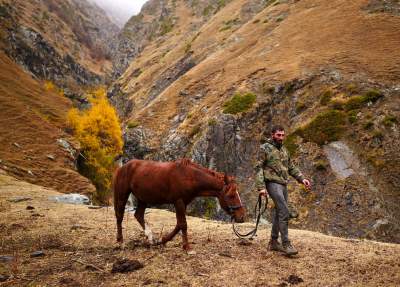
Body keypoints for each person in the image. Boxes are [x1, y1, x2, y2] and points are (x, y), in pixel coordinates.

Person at [255, 125, 311, 255]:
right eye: (278, 135)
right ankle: (286, 244)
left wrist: (302, 179)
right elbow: (258, 168)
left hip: (283, 184)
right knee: (284, 211)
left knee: (279, 212)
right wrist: (261, 187)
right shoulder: (265, 148)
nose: (281, 137)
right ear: (272, 134)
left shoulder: (285, 150)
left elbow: (291, 167)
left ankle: (274, 242)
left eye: (282, 135)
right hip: (272, 183)